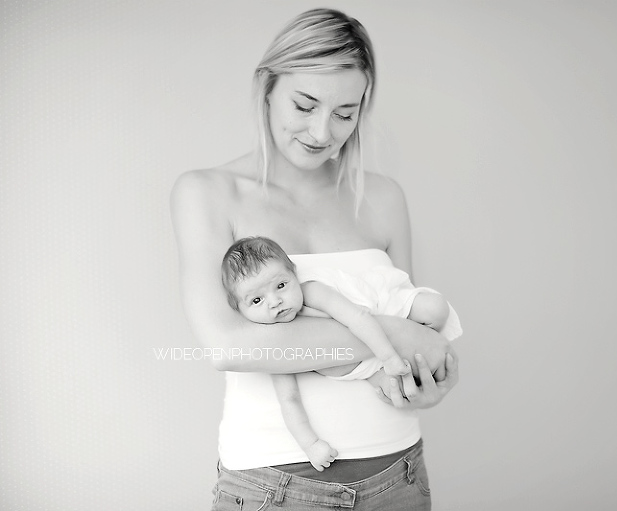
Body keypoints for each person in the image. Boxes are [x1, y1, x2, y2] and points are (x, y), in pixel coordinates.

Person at [170, 8, 459, 510]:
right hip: (275, 488)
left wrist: (425, 377)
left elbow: (414, 326)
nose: (322, 132)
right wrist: (398, 336)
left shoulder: (384, 197)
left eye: (345, 113)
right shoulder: (208, 193)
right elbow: (232, 347)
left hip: (401, 476)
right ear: (266, 88)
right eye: (305, 105)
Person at [221, 236, 460, 473]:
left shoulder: (312, 292)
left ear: (294, 273)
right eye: (257, 300)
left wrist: (390, 357)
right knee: (395, 389)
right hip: (367, 369)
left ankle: (429, 346)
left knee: (435, 309)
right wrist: (311, 445)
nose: (275, 301)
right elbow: (289, 400)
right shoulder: (276, 349)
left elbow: (358, 318)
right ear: (239, 310)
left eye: (281, 286)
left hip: (378, 312)